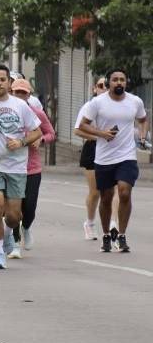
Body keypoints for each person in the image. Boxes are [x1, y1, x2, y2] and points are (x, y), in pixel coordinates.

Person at [0, 65, 42, 268]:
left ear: (10, 82)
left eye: (2, 80)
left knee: (14, 217)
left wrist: (21, 142)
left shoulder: (21, 105)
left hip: (16, 165)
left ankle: (7, 233)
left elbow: (37, 131)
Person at [78, 68, 148, 253]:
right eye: (115, 80)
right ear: (109, 83)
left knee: (124, 193)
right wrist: (102, 133)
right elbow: (82, 125)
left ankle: (122, 236)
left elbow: (143, 119)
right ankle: (107, 235)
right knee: (106, 198)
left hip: (127, 156)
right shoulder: (97, 103)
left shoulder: (135, 101)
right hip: (104, 158)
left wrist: (142, 135)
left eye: (122, 80)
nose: (119, 83)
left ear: (126, 82)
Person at [10, 78, 55, 255]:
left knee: (29, 207)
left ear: (29, 95)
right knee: (14, 209)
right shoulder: (5, 112)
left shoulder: (37, 113)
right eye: (17, 92)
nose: (20, 96)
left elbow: (51, 133)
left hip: (32, 168)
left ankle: (26, 227)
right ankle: (14, 243)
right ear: (11, 93)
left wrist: (40, 139)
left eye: (23, 93)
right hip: (11, 166)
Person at [73, 78, 119, 241]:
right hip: (93, 148)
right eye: (100, 86)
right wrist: (98, 136)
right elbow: (77, 131)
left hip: (114, 149)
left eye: (107, 86)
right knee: (96, 191)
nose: (104, 88)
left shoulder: (117, 104)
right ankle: (90, 223)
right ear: (94, 88)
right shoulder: (90, 106)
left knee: (116, 189)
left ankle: (114, 224)